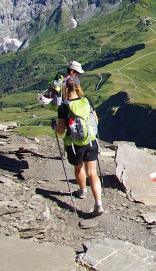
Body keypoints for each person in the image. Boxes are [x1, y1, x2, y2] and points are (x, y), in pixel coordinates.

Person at [54, 78, 102, 216]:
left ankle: (82, 190)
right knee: (93, 173)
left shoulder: (64, 106)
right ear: (78, 87)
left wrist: (54, 127)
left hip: (75, 144)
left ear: (65, 89)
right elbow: (96, 119)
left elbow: (61, 131)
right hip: (91, 141)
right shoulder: (87, 101)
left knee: (79, 166)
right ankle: (98, 202)